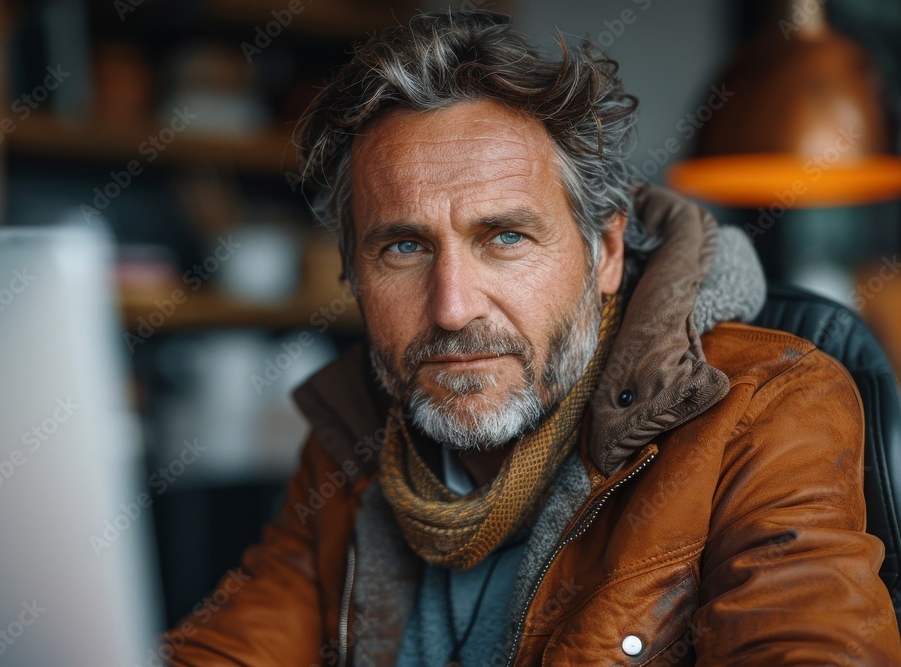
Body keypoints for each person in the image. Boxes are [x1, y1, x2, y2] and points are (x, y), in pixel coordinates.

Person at [166, 10, 901, 666]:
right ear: (352, 273)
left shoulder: (768, 407)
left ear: (605, 252)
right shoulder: (354, 438)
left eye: (506, 237)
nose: (452, 309)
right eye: (403, 248)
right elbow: (236, 642)